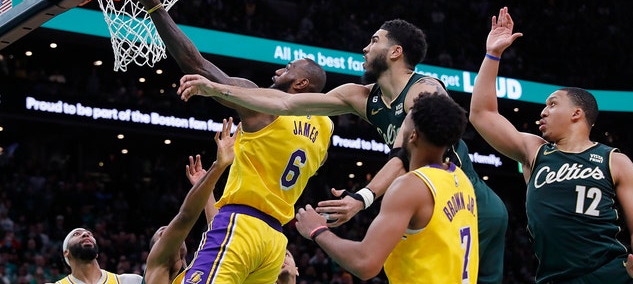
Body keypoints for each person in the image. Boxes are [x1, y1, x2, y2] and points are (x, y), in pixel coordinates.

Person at [177, 19, 507, 283]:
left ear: (395, 52)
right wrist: (216, 89)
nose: (365, 47)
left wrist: (361, 198)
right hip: (432, 206)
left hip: (467, 202)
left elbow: (404, 158)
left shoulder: (425, 89)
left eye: (375, 40)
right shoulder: (361, 96)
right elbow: (287, 102)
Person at [126, 0, 334, 283]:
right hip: (275, 242)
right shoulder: (325, 127)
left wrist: (154, 6)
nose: (279, 69)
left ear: (302, 83)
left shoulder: (264, 106)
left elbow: (195, 64)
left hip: (242, 224)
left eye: (289, 68)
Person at [469, 6, 633, 283]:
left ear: (577, 113)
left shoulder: (614, 160)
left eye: (552, 104)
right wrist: (493, 54)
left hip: (610, 273)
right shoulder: (535, 151)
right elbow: (482, 115)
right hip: (553, 277)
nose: (543, 112)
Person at [296, 92, 478, 282]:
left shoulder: (412, 186)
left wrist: (317, 230)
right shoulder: (461, 179)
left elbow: (365, 263)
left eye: (404, 124)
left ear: (413, 135)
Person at [143, 117, 236, 284]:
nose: (169, 233)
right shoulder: (158, 267)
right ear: (154, 251)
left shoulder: (197, 270)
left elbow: (218, 232)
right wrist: (218, 167)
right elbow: (185, 217)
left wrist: (206, 188)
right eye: (162, 234)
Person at [55, 228, 142, 284]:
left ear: (96, 254)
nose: (85, 234)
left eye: (89, 234)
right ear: (66, 253)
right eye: (76, 234)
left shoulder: (131, 281)